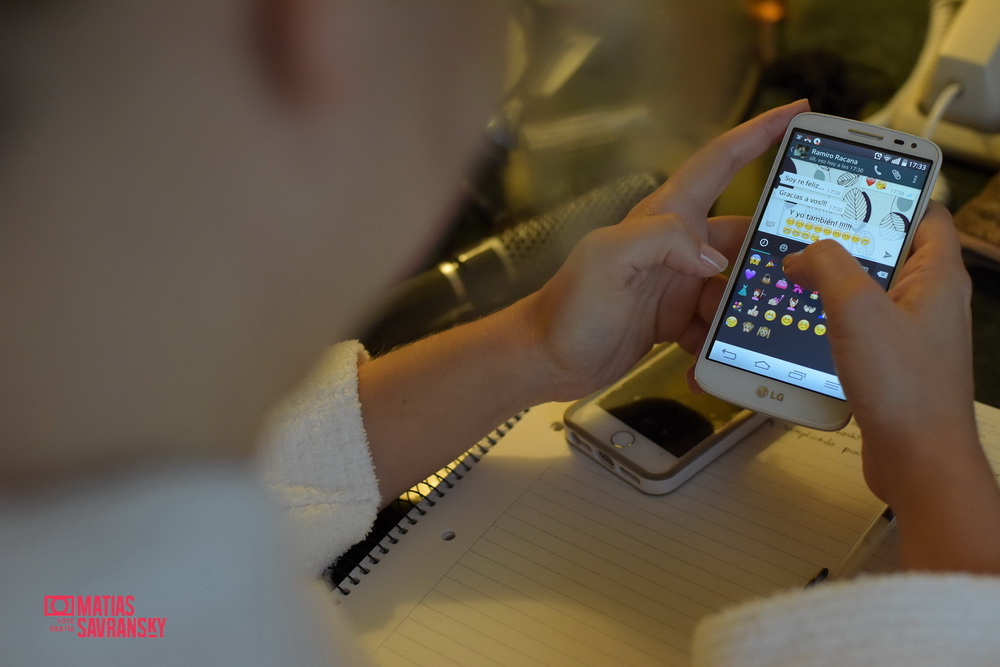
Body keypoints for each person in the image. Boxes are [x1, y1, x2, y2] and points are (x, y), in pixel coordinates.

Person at [1, 1, 997, 665]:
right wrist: (942, 464)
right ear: (330, 30)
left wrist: (532, 347)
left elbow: (93, 607)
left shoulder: (69, 590)